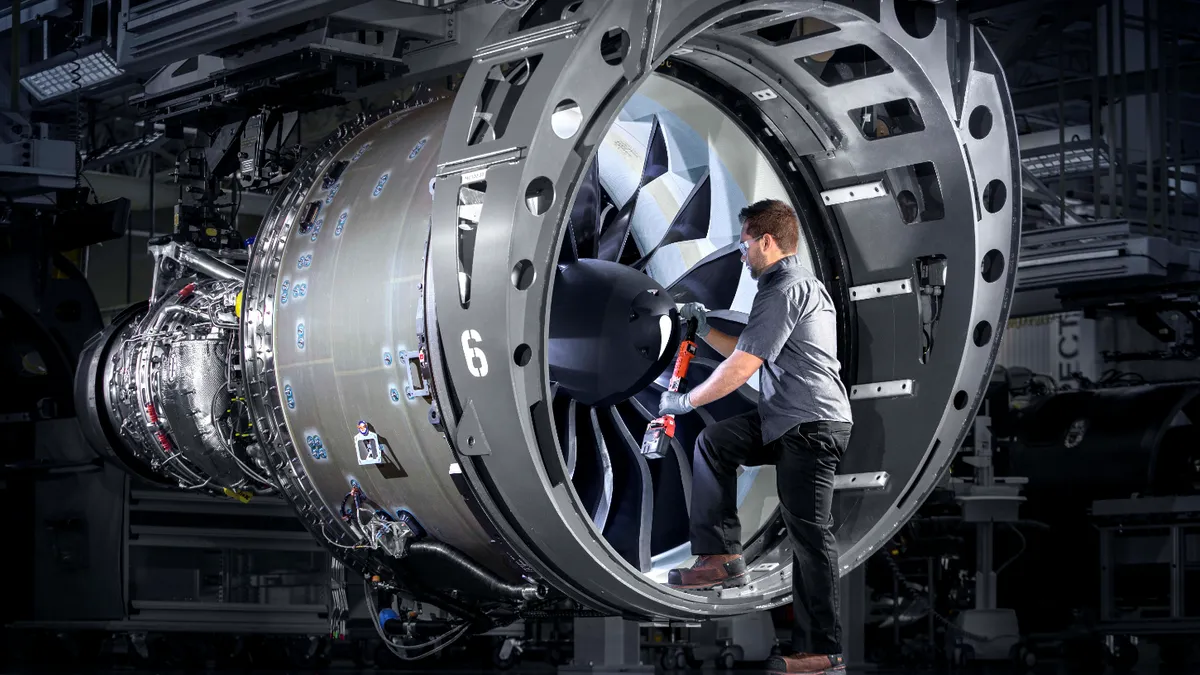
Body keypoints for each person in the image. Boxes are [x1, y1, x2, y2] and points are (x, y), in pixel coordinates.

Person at [657, 199, 854, 675]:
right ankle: (722, 557)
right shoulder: (791, 286)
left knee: (808, 533)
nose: (741, 253)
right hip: (785, 419)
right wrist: (703, 330)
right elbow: (749, 348)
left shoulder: (782, 288)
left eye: (744, 243)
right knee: (716, 442)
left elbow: (743, 368)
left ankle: (823, 651)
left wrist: (684, 403)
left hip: (810, 425)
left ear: (766, 241)